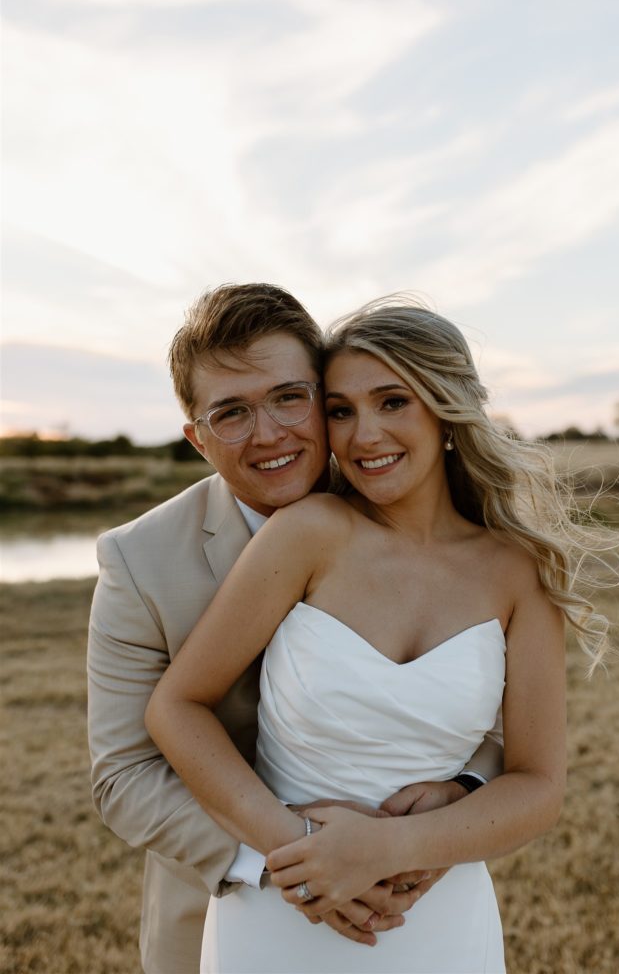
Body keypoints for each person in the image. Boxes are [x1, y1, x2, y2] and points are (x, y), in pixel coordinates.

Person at [146, 298, 615, 974]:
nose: (363, 436)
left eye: (392, 402)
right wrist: (303, 848)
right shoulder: (309, 532)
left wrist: (395, 848)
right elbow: (177, 707)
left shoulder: (517, 573)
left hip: (435, 920)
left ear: (445, 409)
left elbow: (537, 784)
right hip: (286, 909)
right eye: (340, 410)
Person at [87, 284, 502, 974]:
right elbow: (124, 776)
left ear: (323, 392)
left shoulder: (403, 491)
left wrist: (457, 796)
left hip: (412, 896)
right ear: (196, 437)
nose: (270, 433)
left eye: (289, 397)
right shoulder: (138, 560)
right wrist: (294, 854)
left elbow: (483, 695)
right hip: (230, 899)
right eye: (232, 413)